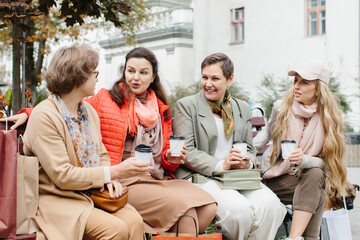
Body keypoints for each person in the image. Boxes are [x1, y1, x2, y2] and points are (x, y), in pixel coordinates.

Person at [7, 47, 217, 235]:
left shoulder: (158, 107)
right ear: (78, 76)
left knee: (208, 207)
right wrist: (28, 113)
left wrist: (171, 158)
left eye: (143, 72)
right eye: (130, 70)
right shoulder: (104, 99)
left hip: (149, 177)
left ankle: (169, 232)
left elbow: (101, 154)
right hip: (115, 180)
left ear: (153, 77)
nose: (135, 77)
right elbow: (58, 111)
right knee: (185, 213)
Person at [20, 45, 144, 240]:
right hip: (58, 199)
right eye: (94, 72)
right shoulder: (44, 116)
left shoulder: (88, 111)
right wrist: (115, 172)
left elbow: (102, 154)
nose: (97, 77)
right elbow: (63, 176)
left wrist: (109, 180)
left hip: (92, 193)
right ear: (78, 76)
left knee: (135, 221)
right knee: (116, 229)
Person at [173, 53, 286, 240]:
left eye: (215, 78)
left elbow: (249, 148)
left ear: (230, 79)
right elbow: (188, 152)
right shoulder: (187, 106)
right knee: (239, 212)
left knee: (271, 207)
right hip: (203, 177)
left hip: (237, 176)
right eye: (204, 77)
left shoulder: (241, 108)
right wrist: (221, 165)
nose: (208, 84)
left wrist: (246, 163)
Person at [253, 59, 348, 240]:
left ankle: (294, 238)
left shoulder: (328, 118)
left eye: (304, 82)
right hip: (276, 177)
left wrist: (305, 160)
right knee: (317, 191)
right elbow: (264, 137)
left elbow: (327, 162)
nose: (296, 86)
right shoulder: (282, 107)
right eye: (295, 81)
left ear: (319, 88)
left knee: (314, 174)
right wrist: (244, 153)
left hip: (305, 178)